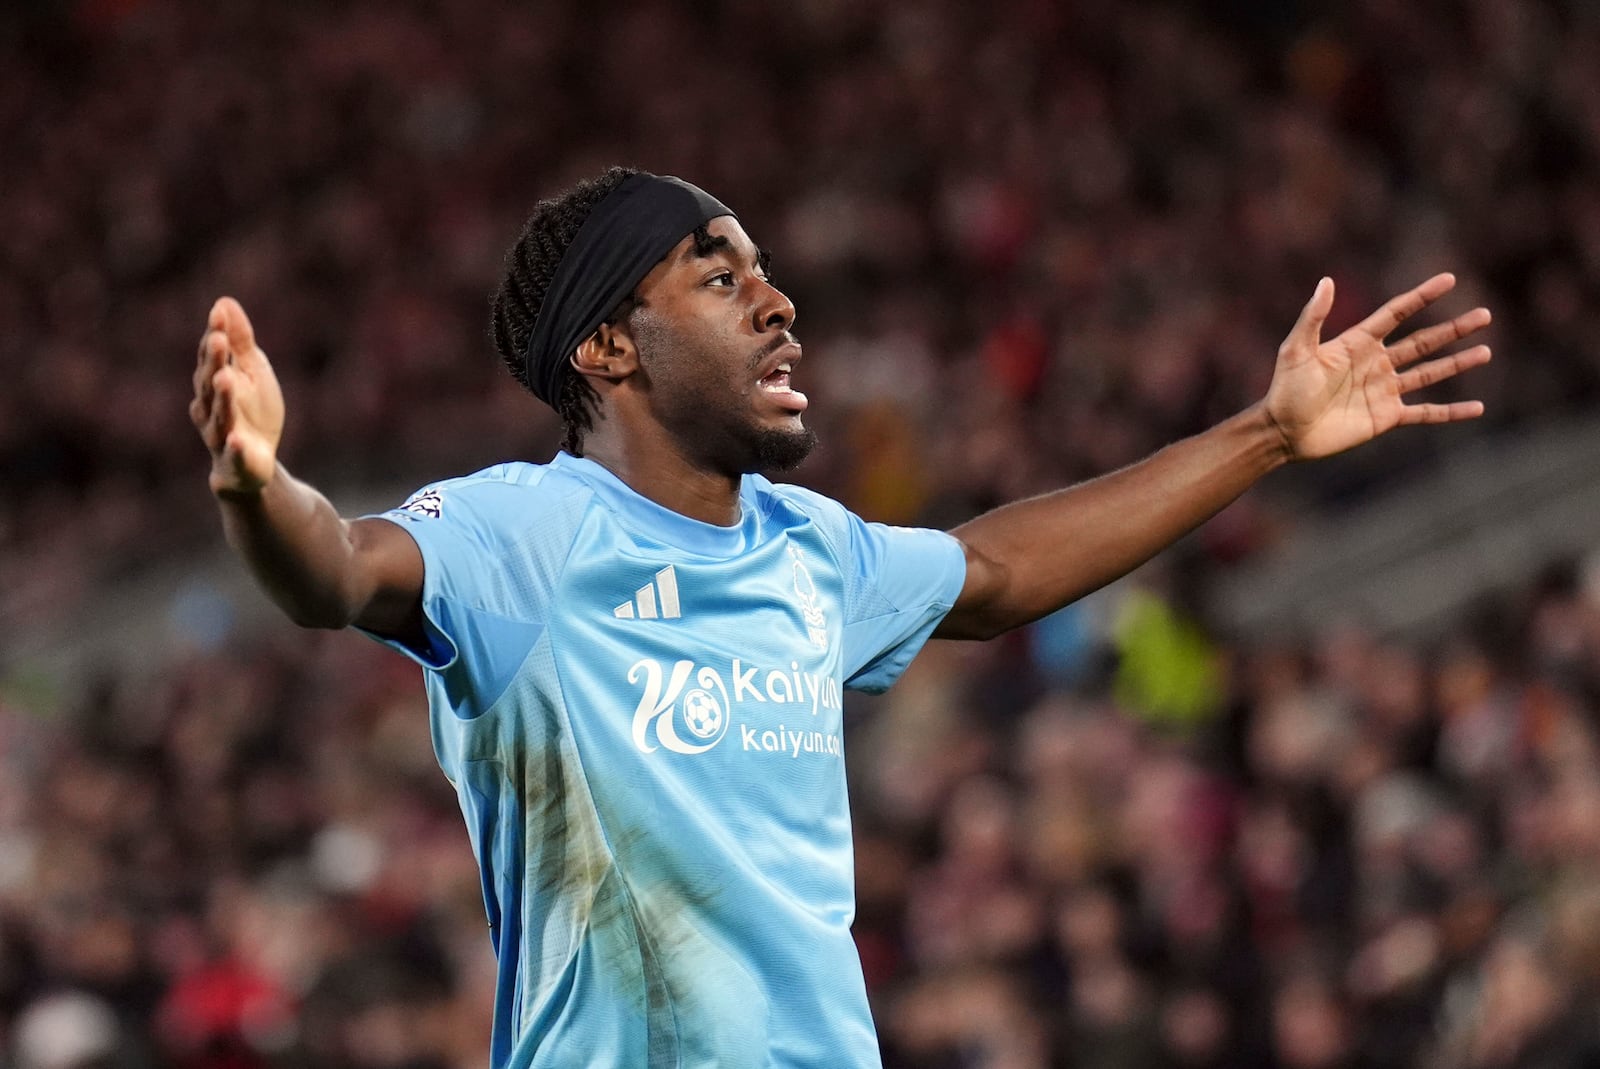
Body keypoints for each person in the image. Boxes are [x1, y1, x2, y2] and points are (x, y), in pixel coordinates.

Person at [189, 167, 1491, 1068]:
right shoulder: (522, 533)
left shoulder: (809, 548)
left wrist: (1268, 433)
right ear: (608, 347)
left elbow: (996, 571)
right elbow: (339, 569)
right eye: (718, 277)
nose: (778, 303)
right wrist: (257, 483)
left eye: (765, 272)